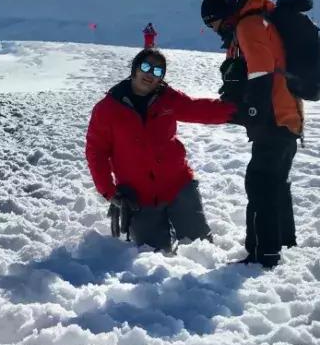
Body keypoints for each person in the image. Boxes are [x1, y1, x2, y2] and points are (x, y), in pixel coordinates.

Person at [85, 48, 236, 252]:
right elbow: (97, 152)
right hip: (139, 198)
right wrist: (110, 193)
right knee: (154, 254)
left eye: (158, 72)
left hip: (178, 186)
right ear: (134, 69)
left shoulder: (167, 98)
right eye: (146, 67)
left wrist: (236, 111)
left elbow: (197, 109)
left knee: (200, 247)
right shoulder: (107, 108)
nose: (150, 74)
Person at [201, 0, 303, 268]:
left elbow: (261, 73)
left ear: (220, 17)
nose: (215, 31)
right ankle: (284, 242)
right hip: (287, 117)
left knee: (259, 183)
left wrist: (252, 111)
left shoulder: (248, 25)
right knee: (275, 182)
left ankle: (263, 254)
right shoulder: (258, 21)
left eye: (213, 25)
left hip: (273, 118)